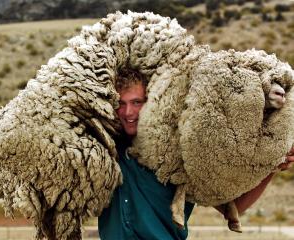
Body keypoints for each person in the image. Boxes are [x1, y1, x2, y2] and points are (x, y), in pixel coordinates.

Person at [98, 68, 294, 240]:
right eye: (121, 104)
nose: (128, 112)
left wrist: (272, 167)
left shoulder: (182, 154)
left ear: (151, 102)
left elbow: (237, 206)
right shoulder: (101, 150)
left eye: (136, 102)